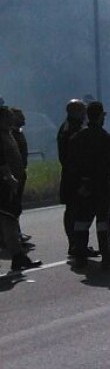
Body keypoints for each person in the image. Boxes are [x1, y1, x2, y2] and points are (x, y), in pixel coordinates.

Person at [67, 101, 110, 271]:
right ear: (101, 116)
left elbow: (72, 164)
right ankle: (107, 256)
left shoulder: (76, 138)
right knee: (103, 222)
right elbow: (105, 165)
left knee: (82, 221)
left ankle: (80, 256)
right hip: (102, 185)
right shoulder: (106, 138)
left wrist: (81, 183)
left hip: (82, 186)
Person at [0, 105, 42, 274]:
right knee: (8, 219)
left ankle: (18, 256)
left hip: (11, 182)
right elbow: (1, 160)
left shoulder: (8, 133)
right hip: (4, 184)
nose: (13, 119)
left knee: (9, 218)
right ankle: (18, 256)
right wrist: (9, 177)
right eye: (9, 117)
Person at [57, 98, 87, 257]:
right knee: (75, 210)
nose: (85, 114)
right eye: (82, 111)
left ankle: (78, 244)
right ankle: (75, 244)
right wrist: (82, 178)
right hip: (74, 176)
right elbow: (73, 156)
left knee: (75, 210)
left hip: (71, 175)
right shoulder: (72, 130)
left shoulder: (68, 127)